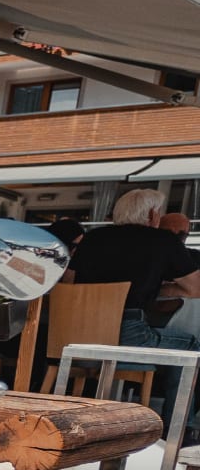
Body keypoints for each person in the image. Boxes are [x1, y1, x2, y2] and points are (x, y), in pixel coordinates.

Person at [69, 187, 200, 438]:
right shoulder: (163, 241)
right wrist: (162, 287)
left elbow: (68, 281)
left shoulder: (93, 238)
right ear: (152, 214)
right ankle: (176, 431)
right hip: (126, 333)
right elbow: (194, 288)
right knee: (190, 346)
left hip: (80, 334)